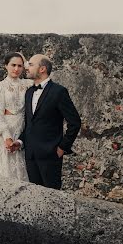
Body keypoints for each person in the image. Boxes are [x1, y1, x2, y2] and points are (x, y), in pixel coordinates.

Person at [11, 54, 81, 189]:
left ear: (42, 69)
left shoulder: (59, 91)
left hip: (51, 155)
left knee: (52, 199)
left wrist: (62, 148)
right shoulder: (29, 92)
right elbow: (30, 124)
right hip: (30, 155)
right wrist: (19, 141)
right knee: (35, 199)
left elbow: (75, 122)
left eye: (31, 65)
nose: (26, 67)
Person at [0, 52, 33, 180]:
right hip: (5, 132)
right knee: (6, 175)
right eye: (13, 65)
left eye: (20, 66)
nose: (16, 69)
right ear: (6, 66)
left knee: (23, 174)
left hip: (21, 132)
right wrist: (7, 137)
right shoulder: (0, 86)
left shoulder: (28, 84)